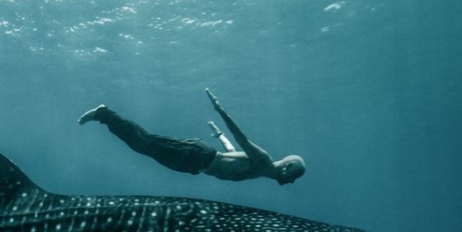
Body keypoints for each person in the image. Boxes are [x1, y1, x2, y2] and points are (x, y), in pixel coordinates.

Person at [78, 88, 306, 185]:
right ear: (287, 166)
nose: (292, 181)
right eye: (294, 175)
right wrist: (220, 110)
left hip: (195, 164)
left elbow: (231, 151)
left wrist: (219, 134)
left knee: (144, 146)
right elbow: (242, 138)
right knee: (144, 143)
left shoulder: (260, 170)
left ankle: (105, 115)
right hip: (197, 155)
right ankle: (103, 113)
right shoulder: (263, 161)